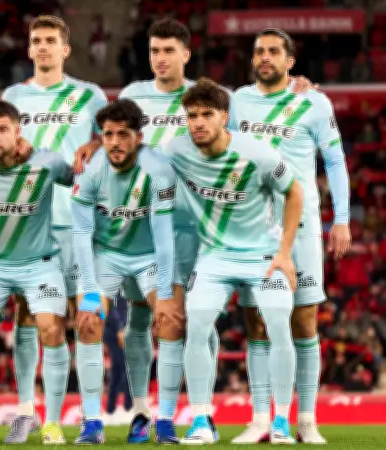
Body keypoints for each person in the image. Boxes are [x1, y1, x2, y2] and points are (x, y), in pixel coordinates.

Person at [72, 19, 316, 443]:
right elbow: (125, 140)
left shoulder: (226, 108)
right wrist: (101, 144)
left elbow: (266, 121)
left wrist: (297, 88)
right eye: (154, 50)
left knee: (199, 321)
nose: (160, 58)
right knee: (148, 320)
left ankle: (254, 418)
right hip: (155, 228)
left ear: (186, 54)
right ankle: (148, 413)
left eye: (169, 50)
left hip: (211, 235)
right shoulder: (138, 102)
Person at [160, 78, 303, 444]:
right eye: (192, 116)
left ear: (224, 117)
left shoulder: (258, 154)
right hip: (215, 256)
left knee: (278, 325)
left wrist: (285, 252)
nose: (198, 123)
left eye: (207, 115)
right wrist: (95, 146)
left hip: (263, 256)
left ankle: (281, 421)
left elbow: (294, 192)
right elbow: (136, 158)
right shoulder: (176, 150)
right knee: (196, 327)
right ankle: (201, 421)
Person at [230, 28, 350, 445]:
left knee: (304, 319)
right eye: (258, 51)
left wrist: (342, 219)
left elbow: (335, 161)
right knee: (256, 320)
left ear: (290, 61)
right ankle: (261, 419)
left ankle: (307, 420)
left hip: (302, 226)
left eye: (273, 51)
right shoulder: (237, 101)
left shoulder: (314, 102)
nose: (264, 57)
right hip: (252, 227)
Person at [0, 16, 108, 443]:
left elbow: (113, 141)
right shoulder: (13, 96)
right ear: (29, 50)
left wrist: (95, 143)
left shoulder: (90, 95)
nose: (42, 46)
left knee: (86, 318)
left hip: (78, 219)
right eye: (36, 41)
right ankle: (27, 411)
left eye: (50, 40)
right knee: (28, 316)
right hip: (28, 220)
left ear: (65, 49)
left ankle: (90, 417)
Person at [0, 101, 74, 445]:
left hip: (40, 263)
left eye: (2, 129)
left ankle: (52, 423)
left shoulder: (47, 162)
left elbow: (80, 178)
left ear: (18, 131)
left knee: (51, 329)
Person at [70, 99, 178, 444]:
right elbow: (81, 233)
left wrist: (165, 293)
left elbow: (164, 234)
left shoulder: (158, 169)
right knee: (88, 322)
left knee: (171, 321)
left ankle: (161, 419)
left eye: (123, 135)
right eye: (108, 135)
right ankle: (91, 422)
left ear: (139, 137)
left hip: (149, 254)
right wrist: (89, 292)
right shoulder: (90, 171)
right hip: (107, 255)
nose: (114, 142)